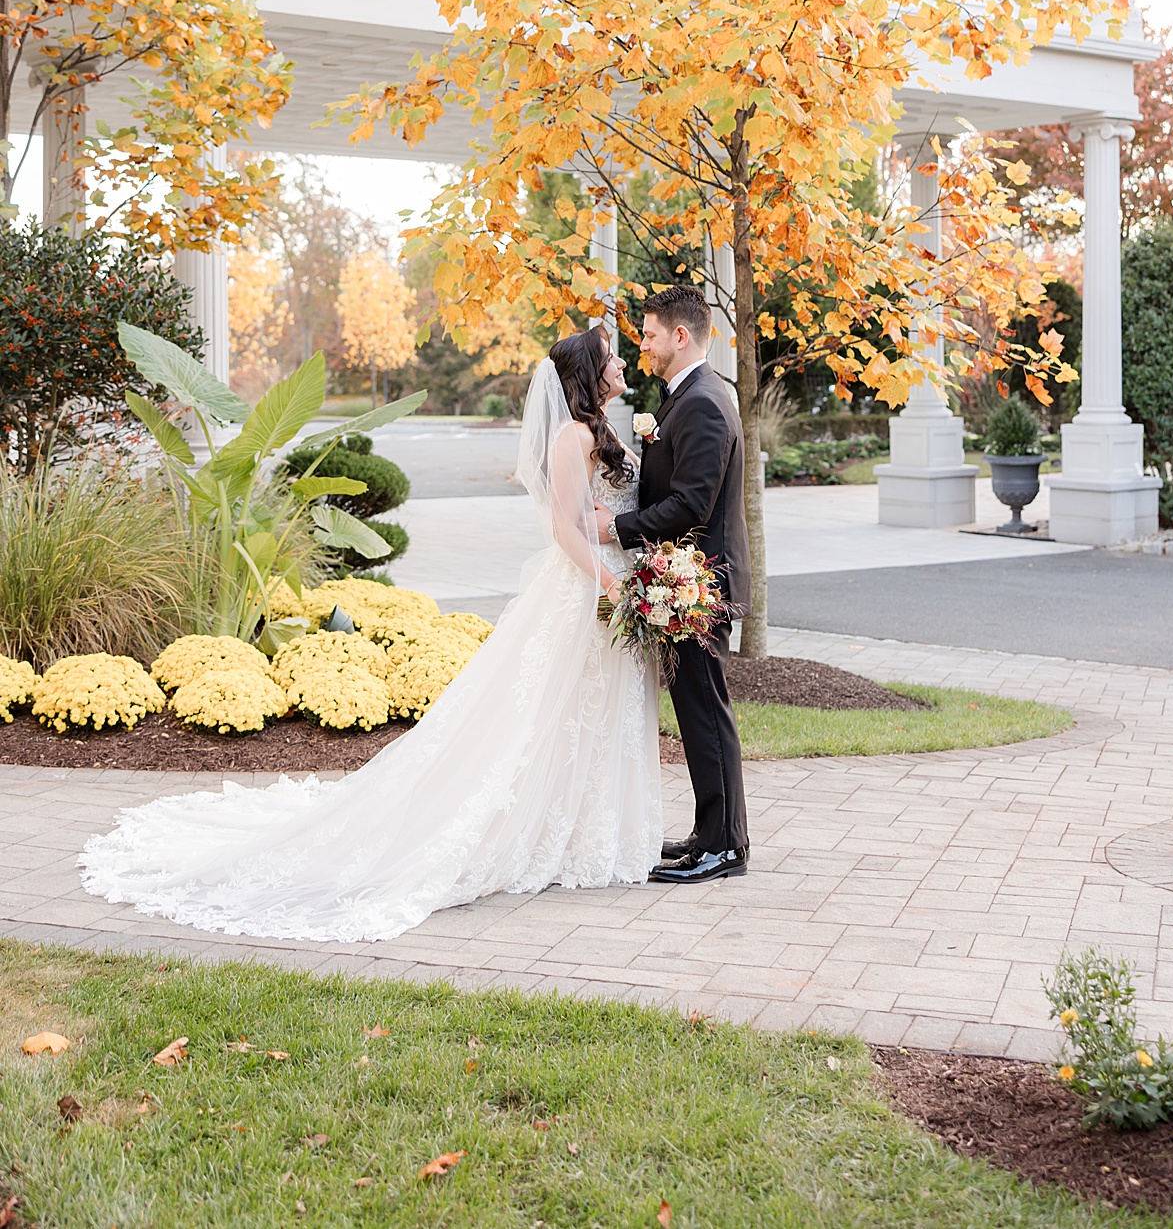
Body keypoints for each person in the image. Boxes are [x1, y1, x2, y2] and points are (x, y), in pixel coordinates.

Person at [80, 325, 663, 942]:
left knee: (589, 711)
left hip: (604, 583)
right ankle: (549, 831)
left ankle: (587, 827)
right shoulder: (572, 437)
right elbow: (564, 529)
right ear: (587, 373)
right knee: (553, 713)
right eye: (611, 357)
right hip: (583, 590)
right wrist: (607, 580)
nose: (623, 362)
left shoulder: (601, 429)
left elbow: (603, 513)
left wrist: (617, 533)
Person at [597, 283, 750, 884]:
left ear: (680, 336)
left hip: (697, 582)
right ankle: (713, 833)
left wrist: (620, 526)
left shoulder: (705, 403)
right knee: (697, 710)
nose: (645, 343)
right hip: (682, 580)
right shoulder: (684, 398)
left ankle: (725, 848)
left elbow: (692, 504)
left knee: (705, 710)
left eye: (651, 333)